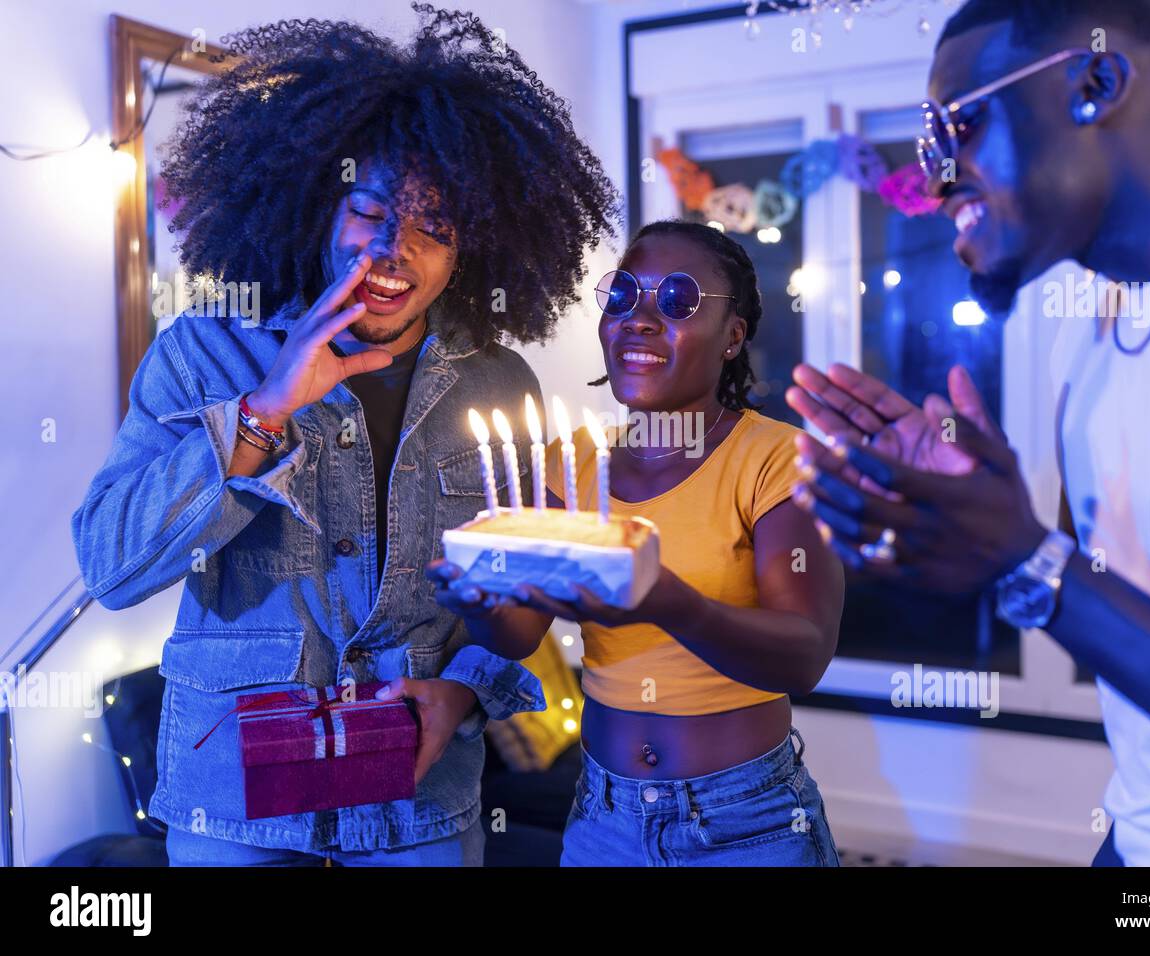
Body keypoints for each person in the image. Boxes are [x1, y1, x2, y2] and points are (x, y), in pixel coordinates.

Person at [72, 9, 620, 866]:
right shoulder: (202, 355)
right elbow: (112, 567)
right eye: (370, 211)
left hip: (419, 810)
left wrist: (463, 692)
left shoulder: (497, 384)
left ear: (469, 249)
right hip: (236, 809)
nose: (395, 251)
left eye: (435, 227)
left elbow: (511, 592)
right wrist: (265, 410)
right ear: (320, 207)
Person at [787, 0, 1150, 865]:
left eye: (955, 128)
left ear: (1096, 81)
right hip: (1139, 840)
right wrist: (981, 528)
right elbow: (1114, 612)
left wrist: (1029, 565)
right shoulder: (1091, 324)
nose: (937, 180)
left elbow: (1056, 580)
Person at [430, 221, 845, 866]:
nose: (639, 319)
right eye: (622, 296)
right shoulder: (573, 462)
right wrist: (480, 602)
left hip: (744, 824)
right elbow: (519, 636)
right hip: (604, 818)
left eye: (677, 300)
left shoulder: (779, 460)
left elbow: (805, 658)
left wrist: (667, 602)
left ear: (733, 335)